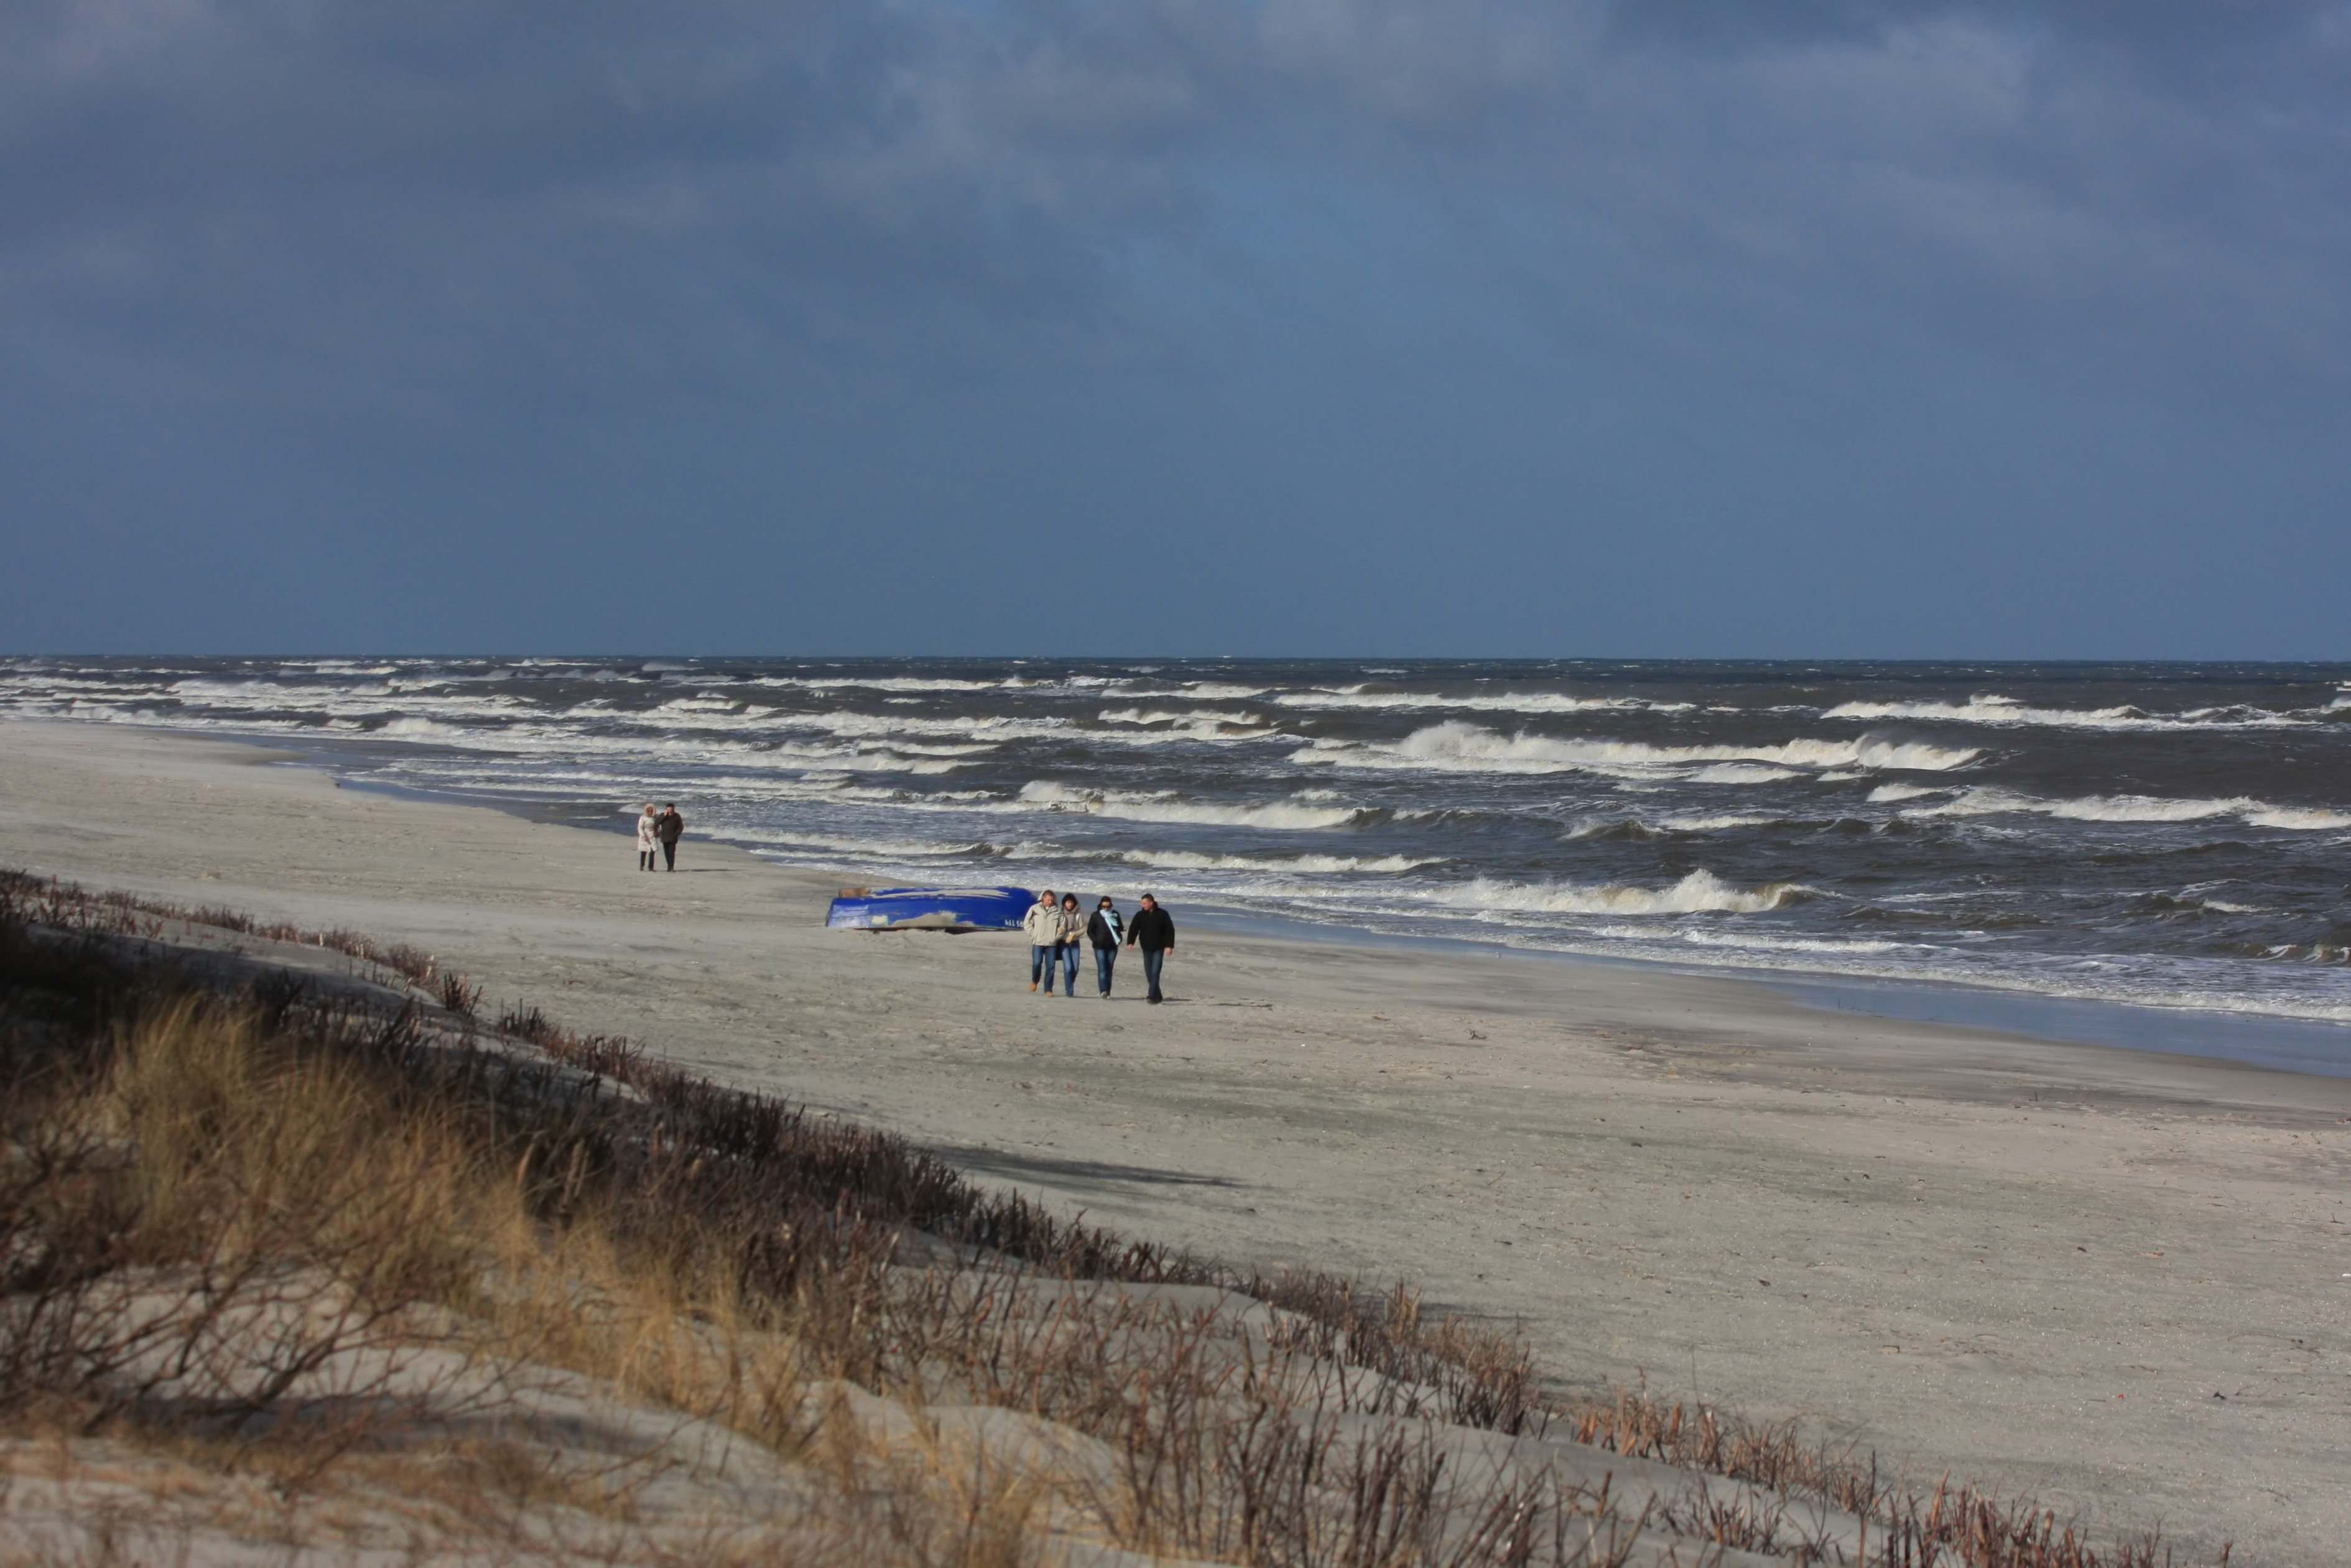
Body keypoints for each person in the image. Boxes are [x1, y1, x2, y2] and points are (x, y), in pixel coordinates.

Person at [1124, 892, 1175, 1004]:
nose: (1143, 906)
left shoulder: (1163, 914)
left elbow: (1169, 930)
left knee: (1155, 972)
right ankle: (1158, 994)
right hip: (1146, 947)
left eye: (1145, 904)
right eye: (1142, 904)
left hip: (1159, 947)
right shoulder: (1139, 915)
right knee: (1149, 973)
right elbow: (1134, 929)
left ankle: (1152, 996)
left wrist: (1169, 946)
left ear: (1151, 903)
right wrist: (1130, 942)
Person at [1022, 889, 1060, 993]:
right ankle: (1035, 980)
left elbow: (1063, 926)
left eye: (1052, 900)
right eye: (1049, 900)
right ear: (1044, 898)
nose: (1050, 902)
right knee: (1037, 963)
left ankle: (1048, 989)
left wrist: (1057, 936)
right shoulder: (1034, 909)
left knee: (1051, 967)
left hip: (1051, 943)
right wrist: (1033, 934)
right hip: (1038, 941)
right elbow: (1027, 923)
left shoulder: (1057, 910)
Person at [1085, 895, 1124, 998]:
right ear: (1101, 905)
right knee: (1102, 968)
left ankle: (1108, 991)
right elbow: (1090, 931)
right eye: (1104, 906)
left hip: (1112, 946)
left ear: (1111, 906)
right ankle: (1103, 991)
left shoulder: (1115, 914)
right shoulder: (1096, 916)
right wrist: (1096, 940)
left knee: (1109, 969)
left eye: (1108, 906)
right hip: (1099, 947)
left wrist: (1118, 932)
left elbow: (1121, 927)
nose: (1106, 908)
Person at [1056, 893, 1085, 996]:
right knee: (1068, 967)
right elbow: (1056, 926)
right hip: (1064, 943)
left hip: (1075, 943)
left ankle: (1069, 983)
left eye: (1072, 902)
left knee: (1075, 968)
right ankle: (1069, 991)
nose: (1070, 904)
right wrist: (1058, 930)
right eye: (1068, 902)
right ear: (1064, 903)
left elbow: (1083, 929)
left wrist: (1074, 934)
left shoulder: (1078, 915)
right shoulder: (1060, 914)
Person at [654, 802, 685, 871]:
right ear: (666, 809)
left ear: (673, 809)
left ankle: (671, 867)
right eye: (668, 809)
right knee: (666, 853)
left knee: (672, 853)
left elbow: (681, 827)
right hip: (665, 837)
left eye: (671, 809)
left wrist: (676, 834)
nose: (670, 810)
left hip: (673, 837)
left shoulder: (677, 816)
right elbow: (657, 823)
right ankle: (669, 866)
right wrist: (664, 816)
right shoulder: (662, 815)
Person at [635, 804, 659, 871]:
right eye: (649, 811)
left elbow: (657, 826)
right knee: (644, 852)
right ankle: (642, 866)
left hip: (652, 835)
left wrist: (658, 833)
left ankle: (651, 867)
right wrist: (643, 835)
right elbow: (640, 828)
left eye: (651, 811)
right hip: (645, 835)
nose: (650, 813)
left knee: (652, 852)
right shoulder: (643, 818)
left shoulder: (655, 818)